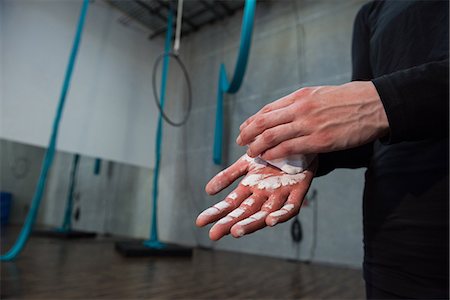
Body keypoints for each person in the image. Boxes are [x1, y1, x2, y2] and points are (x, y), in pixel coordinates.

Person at [196, 0, 449, 298]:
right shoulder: (370, 14)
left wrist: (381, 102)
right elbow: (368, 135)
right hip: (393, 243)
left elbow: (375, 108)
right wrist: (304, 150)